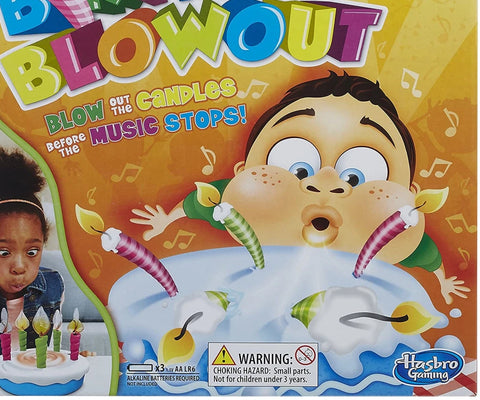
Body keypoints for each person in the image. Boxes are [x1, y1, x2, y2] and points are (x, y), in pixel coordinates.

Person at [130, 72, 469, 305]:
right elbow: (200, 201)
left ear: (411, 195)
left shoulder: (398, 233)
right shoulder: (230, 208)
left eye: (357, 177)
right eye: (298, 167)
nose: (325, 184)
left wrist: (442, 282)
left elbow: (427, 255)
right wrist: (166, 220)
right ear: (242, 173)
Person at [0, 147, 64, 356]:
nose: (20, 267)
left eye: (32, 252)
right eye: (4, 252)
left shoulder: (53, 286)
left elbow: (49, 350)